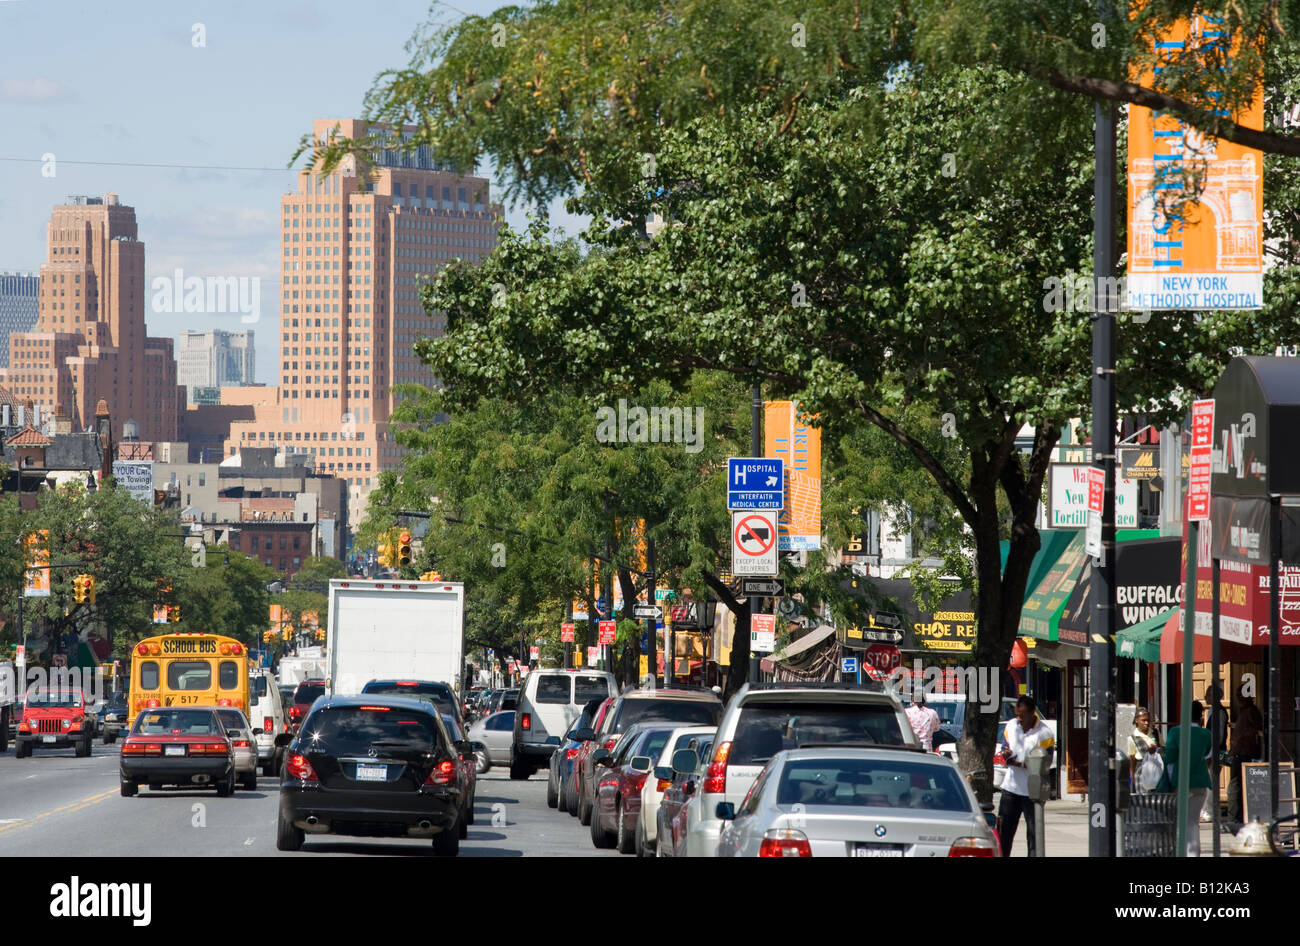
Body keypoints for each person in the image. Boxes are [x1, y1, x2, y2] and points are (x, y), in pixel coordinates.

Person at [997, 695, 1055, 856]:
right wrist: (1006, 754)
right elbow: (1005, 747)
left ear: (1032, 713)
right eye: (1017, 714)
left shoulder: (1044, 733)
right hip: (1011, 788)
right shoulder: (1011, 726)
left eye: (1022, 715)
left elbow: (1045, 764)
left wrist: (1021, 764)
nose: (1019, 718)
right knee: (1004, 833)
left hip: (1033, 792)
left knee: (1034, 835)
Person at [1165, 700, 1213, 857]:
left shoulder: (1175, 732)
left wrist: (1171, 782)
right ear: (1201, 716)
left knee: (1180, 821)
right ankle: (1193, 854)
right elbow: (1208, 756)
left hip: (1180, 781)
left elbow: (1170, 759)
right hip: (1200, 782)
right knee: (1193, 822)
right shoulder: (1206, 734)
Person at [1226, 693, 1263, 830]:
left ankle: (1234, 818)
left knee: (1235, 787)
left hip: (1243, 753)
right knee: (1238, 786)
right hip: (1243, 753)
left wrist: (1233, 751)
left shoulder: (1249, 712)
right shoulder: (1248, 712)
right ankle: (1236, 817)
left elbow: (1244, 735)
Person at [1126, 707, 1161, 793]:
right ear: (1137, 720)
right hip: (1141, 773)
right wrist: (1132, 780)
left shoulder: (1155, 733)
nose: (1146, 723)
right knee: (1143, 799)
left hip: (1156, 770)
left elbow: (1163, 748)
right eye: (1143, 720)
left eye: (1148, 720)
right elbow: (1132, 760)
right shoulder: (1132, 738)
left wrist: (1157, 750)